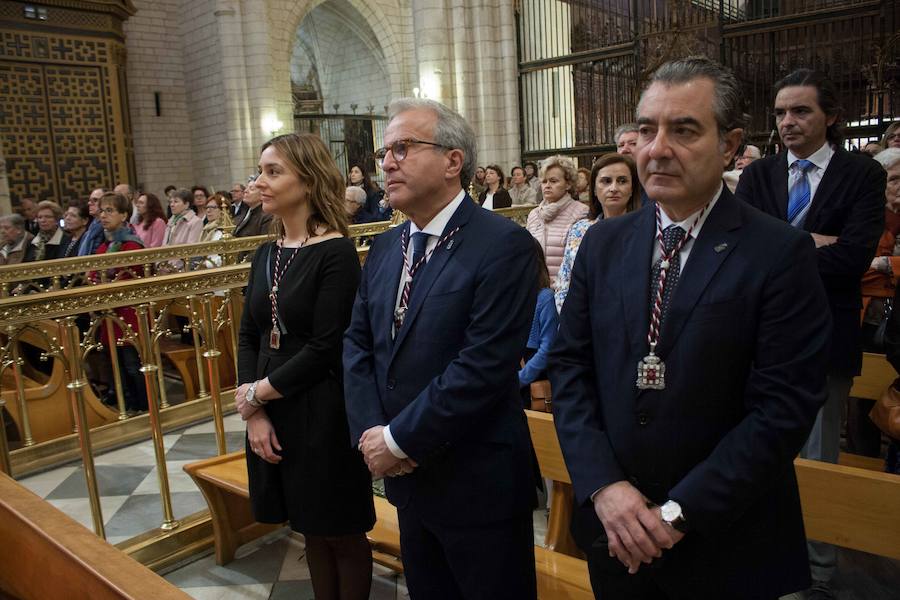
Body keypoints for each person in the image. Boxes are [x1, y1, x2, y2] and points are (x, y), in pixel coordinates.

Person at [550, 56, 831, 600]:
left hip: (725, 538)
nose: (657, 148)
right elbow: (571, 368)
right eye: (646, 129)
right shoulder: (604, 244)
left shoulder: (777, 252)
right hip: (615, 532)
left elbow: (782, 408)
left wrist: (676, 513)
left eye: (683, 130)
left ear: (729, 145)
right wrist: (605, 487)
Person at [344, 97, 539, 600]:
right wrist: (373, 433)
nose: (386, 162)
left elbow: (483, 365)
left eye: (403, 148)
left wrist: (398, 441)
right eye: (386, 151)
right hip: (408, 480)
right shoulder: (387, 247)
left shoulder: (503, 244)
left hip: (476, 480)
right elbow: (358, 345)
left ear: (453, 161)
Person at [734, 69, 885, 599]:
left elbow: (852, 259)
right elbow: (742, 256)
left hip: (825, 336)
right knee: (756, 452)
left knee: (818, 459)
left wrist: (783, 250)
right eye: (780, 113)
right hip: (757, 339)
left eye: (801, 111)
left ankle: (815, 575)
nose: (788, 122)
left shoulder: (860, 174)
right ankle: (764, 559)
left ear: (831, 116)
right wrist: (811, 244)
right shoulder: (759, 176)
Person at [234, 133, 374, 600]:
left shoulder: (335, 254)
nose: (261, 182)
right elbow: (250, 334)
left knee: (340, 529)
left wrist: (259, 394)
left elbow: (326, 347)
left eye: (274, 172)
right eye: (260, 171)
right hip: (275, 408)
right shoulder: (266, 253)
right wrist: (254, 410)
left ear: (309, 179)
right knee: (309, 529)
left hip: (322, 409)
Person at [853, 147, 900, 457]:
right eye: (895, 179)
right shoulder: (869, 218)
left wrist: (887, 265)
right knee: (861, 401)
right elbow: (855, 266)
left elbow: (874, 266)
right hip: (869, 317)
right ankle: (861, 460)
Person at [555, 154, 642, 312]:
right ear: (594, 189)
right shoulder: (579, 230)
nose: (613, 188)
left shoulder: (646, 229)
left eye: (622, 181)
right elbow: (564, 284)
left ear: (632, 188)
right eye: (606, 181)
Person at [91, 192, 147, 415]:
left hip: (129, 313)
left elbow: (127, 278)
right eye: (102, 211)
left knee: (133, 363)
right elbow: (93, 273)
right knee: (117, 363)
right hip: (110, 314)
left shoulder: (131, 245)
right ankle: (128, 402)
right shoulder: (106, 245)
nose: (103, 215)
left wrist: (103, 278)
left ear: (124, 215)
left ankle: (144, 404)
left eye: (110, 210)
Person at [526, 155, 589, 283]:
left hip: (566, 289)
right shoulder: (534, 215)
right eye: (544, 181)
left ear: (568, 184)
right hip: (538, 290)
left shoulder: (580, 212)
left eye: (553, 181)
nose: (547, 186)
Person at [519, 239, 557, 404]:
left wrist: (521, 378)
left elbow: (547, 347)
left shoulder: (545, 298)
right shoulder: (511, 297)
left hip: (533, 374)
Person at [77, 188, 107, 256]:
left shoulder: (107, 228)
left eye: (95, 200)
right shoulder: (90, 228)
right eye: (90, 200)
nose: (89, 203)